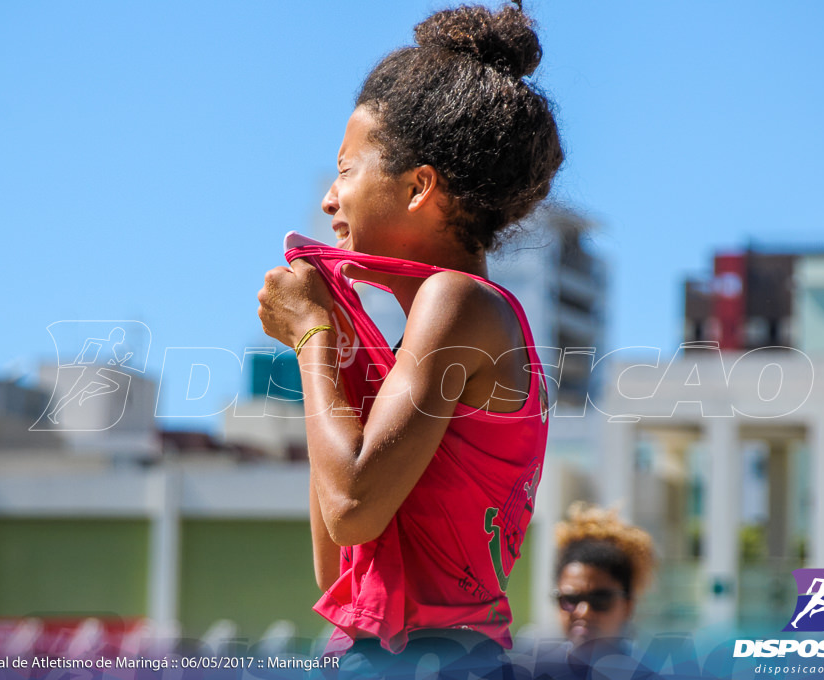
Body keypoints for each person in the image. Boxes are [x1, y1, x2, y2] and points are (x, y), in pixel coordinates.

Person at [256, 2, 562, 674]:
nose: (331, 200)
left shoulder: (459, 304)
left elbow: (353, 508)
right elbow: (335, 565)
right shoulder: (424, 337)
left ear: (420, 186)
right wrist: (333, 346)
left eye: (346, 170)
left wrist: (310, 337)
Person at [553, 504, 657, 650]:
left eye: (600, 600)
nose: (583, 612)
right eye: (570, 600)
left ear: (628, 606)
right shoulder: (535, 670)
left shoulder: (652, 670)